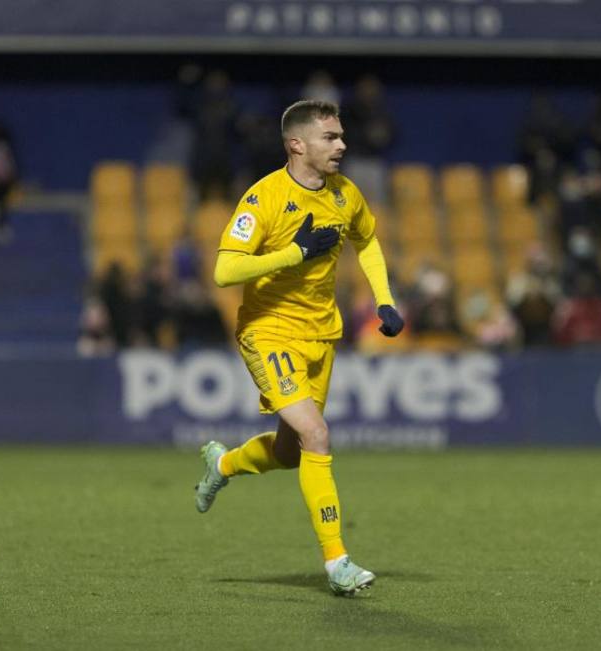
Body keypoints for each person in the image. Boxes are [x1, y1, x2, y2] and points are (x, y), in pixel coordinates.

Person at [194, 100, 404, 596]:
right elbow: (224, 270)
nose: (342, 145)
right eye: (331, 137)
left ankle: (222, 465)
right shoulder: (263, 198)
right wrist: (292, 253)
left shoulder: (344, 194)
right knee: (317, 434)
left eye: (341, 136)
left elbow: (368, 240)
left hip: (321, 334)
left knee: (292, 452)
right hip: (268, 331)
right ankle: (338, 563)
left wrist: (385, 300)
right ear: (297, 144)